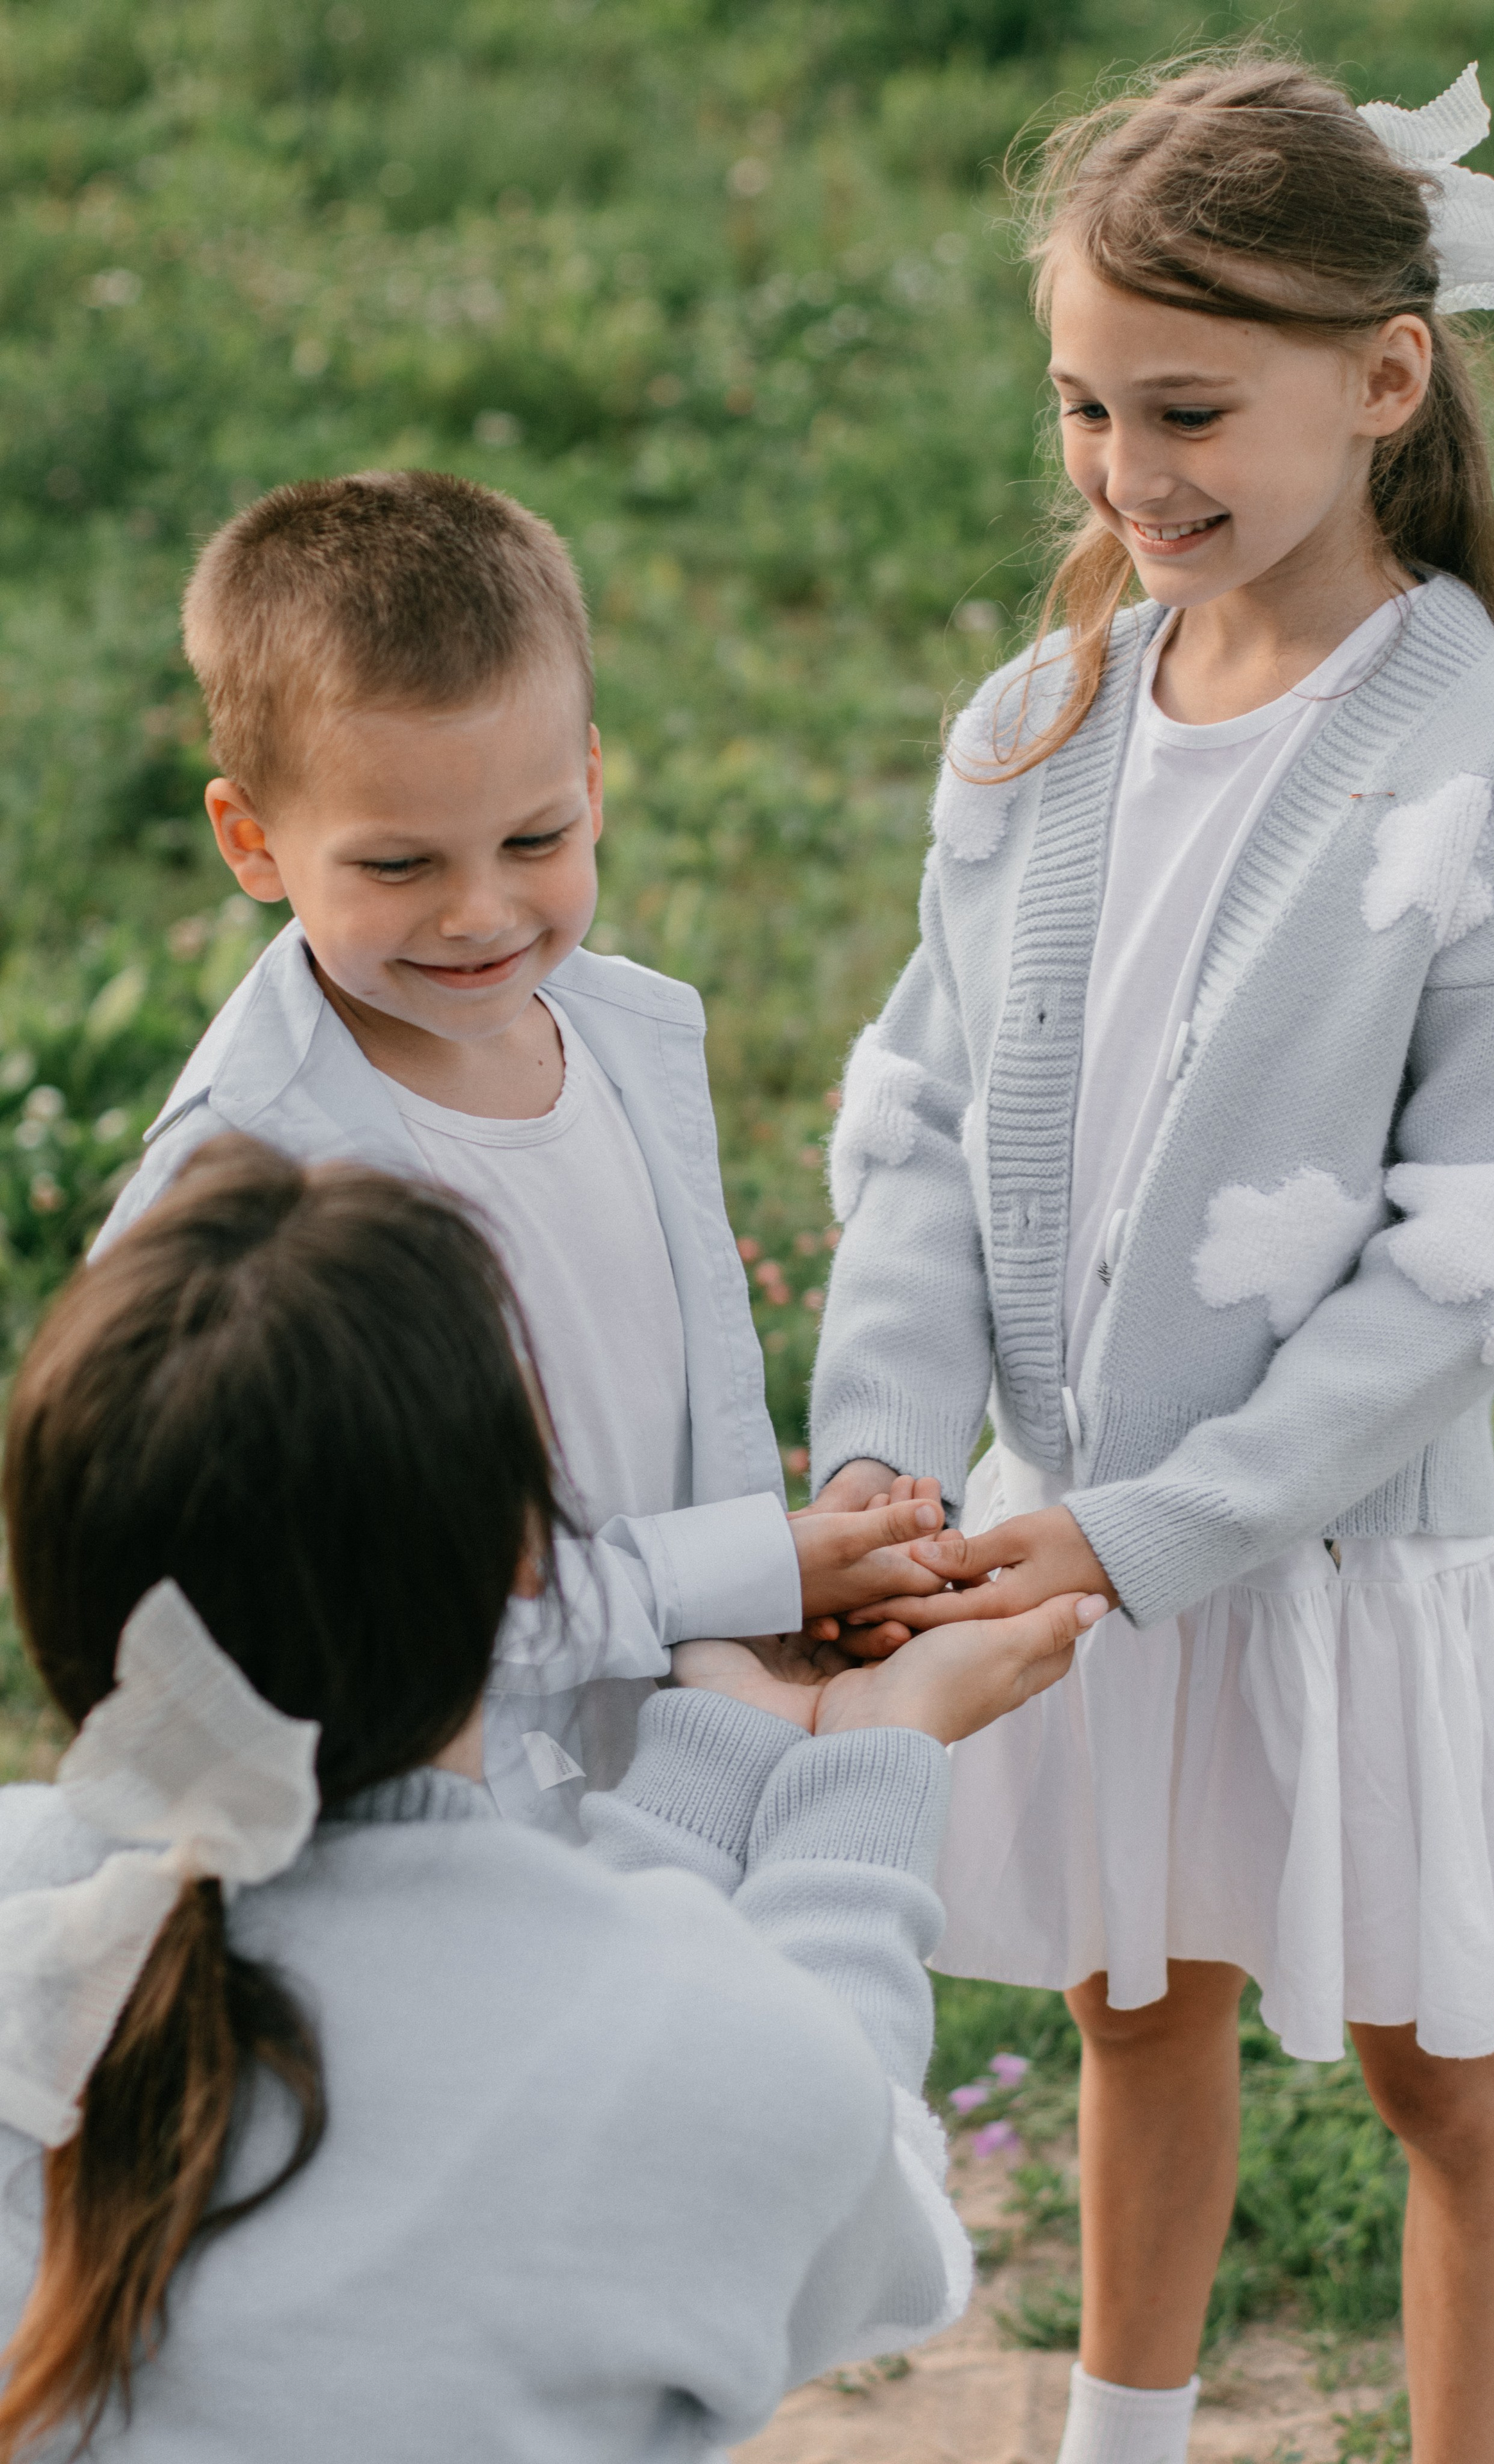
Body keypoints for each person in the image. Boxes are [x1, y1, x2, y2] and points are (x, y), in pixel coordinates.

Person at [808, 55, 1494, 2464]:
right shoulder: (1043, 723)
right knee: (1129, 1998)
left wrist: (1177, 1522)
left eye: (1189, 408)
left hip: (1325, 1556)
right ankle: (1124, 2442)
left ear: (1385, 382)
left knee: (1440, 2061)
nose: (1125, 467)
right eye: (1085, 403)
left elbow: (1474, 1262)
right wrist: (885, 1456)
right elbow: (927, 1123)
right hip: (1051, 1542)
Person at [0, 1135, 1103, 2462]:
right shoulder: (705, 2064)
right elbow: (875, 2232)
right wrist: (874, 1764)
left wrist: (717, 1747)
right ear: (531, 1561)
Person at [94, 468, 941, 1836]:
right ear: (252, 841)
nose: (479, 911)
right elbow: (356, 1615)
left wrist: (774, 1586)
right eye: (397, 867)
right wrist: (745, 1573)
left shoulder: (618, 1038)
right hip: (434, 1824)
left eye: (533, 838)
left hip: (678, 1736)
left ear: (593, 782)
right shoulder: (253, 1197)